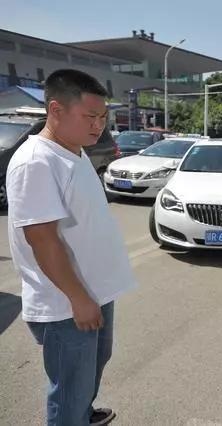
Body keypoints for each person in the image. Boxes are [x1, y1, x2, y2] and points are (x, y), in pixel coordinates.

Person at [6, 69, 136, 425]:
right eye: (89, 117)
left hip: (92, 292)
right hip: (67, 303)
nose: (98, 126)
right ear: (56, 110)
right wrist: (78, 298)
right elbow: (42, 239)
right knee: (69, 389)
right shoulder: (38, 161)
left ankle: (81, 413)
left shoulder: (73, 152)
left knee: (91, 369)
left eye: (103, 118)